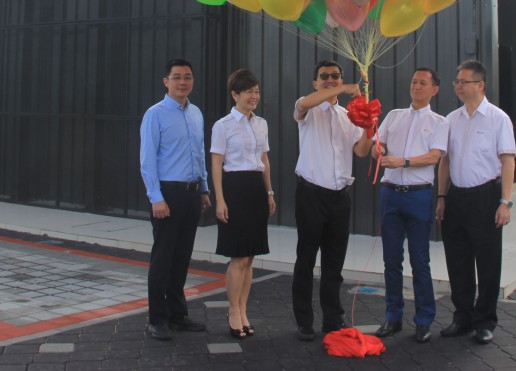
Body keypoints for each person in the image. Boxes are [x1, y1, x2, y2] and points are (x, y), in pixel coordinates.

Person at [435, 59, 516, 345]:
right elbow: (444, 161)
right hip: (456, 198)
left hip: (485, 198)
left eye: (464, 81)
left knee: (488, 262)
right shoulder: (451, 119)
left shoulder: (498, 118)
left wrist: (505, 202)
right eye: (456, 81)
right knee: (457, 261)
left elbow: (507, 161)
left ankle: (485, 321)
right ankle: (462, 317)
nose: (458, 86)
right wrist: (442, 196)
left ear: (480, 85)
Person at [292, 59, 374, 341]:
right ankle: (304, 320)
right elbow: (306, 104)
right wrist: (349, 86)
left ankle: (333, 317)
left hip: (340, 198)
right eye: (324, 76)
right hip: (311, 194)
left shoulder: (346, 115)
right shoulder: (306, 106)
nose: (330, 80)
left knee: (334, 263)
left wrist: (368, 127)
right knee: (305, 260)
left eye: (335, 76)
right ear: (315, 82)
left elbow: (361, 151)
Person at [370, 68, 448, 343]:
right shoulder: (394, 116)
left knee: (420, 260)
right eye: (414, 81)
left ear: (434, 90)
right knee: (391, 260)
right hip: (391, 194)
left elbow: (434, 157)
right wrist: (377, 149)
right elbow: (376, 146)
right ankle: (393, 317)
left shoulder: (440, 122)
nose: (416, 86)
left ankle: (424, 320)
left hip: (419, 196)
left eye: (423, 83)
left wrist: (402, 162)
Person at [139, 58, 212, 341]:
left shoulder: (196, 114)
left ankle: (177, 315)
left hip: (193, 194)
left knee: (181, 258)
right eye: (177, 77)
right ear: (165, 81)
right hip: (167, 195)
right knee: (163, 259)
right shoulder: (154, 115)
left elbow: (200, 154)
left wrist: (204, 189)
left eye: (188, 77)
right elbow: (147, 161)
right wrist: (156, 198)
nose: (183, 82)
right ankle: (157, 319)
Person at [210, 69, 276, 339]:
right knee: (237, 256)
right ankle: (233, 310)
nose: (254, 96)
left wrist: (270, 192)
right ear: (235, 94)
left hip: (256, 190)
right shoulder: (223, 125)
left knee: (250, 257)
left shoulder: (261, 123)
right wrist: (220, 199)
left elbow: (265, 161)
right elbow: (216, 163)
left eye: (257, 91)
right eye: (249, 91)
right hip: (234, 189)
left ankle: (244, 309)